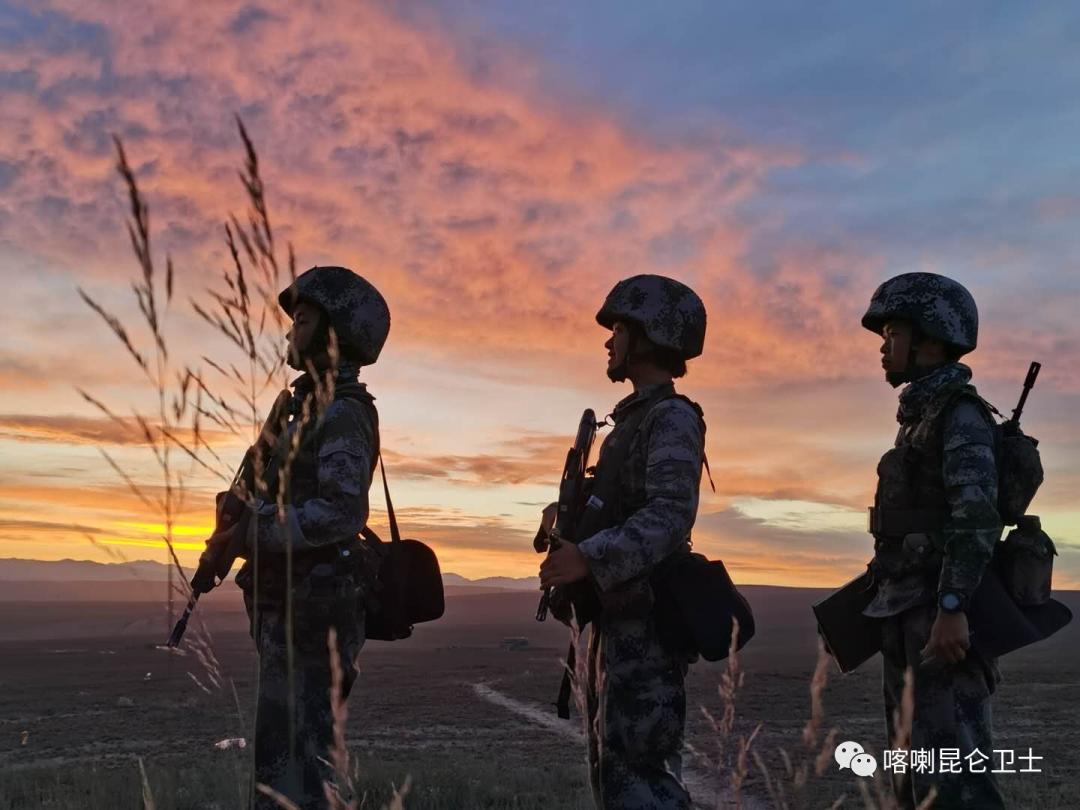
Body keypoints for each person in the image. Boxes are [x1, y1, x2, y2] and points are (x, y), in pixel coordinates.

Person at [539, 274, 708, 809]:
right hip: (617, 624)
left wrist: (587, 557)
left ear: (648, 335)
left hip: (647, 630)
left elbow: (669, 516)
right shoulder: (628, 425)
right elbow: (623, 507)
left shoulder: (672, 418)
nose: (608, 342)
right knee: (615, 778)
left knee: (641, 781)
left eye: (617, 329)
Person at [223, 265, 389, 809]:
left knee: (305, 769)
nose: (291, 330)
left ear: (333, 333)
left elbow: (341, 512)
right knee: (278, 760)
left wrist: (257, 529)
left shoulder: (342, 413)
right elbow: (255, 480)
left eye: (304, 318)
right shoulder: (297, 406)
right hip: (287, 606)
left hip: (316, 612)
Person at [861, 272, 1005, 809]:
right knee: (912, 775)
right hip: (907, 615)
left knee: (958, 778)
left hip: (939, 625)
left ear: (931, 339)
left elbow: (975, 517)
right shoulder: (920, 417)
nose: (883, 347)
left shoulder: (959, 415)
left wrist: (952, 606)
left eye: (893, 333)